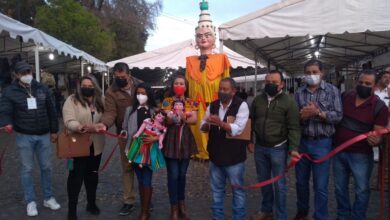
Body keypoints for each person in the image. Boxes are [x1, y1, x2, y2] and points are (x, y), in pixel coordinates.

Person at [0, 61, 60, 217]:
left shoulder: (42, 88)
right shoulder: (10, 91)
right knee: (27, 169)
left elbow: (51, 110)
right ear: (16, 75)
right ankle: (30, 201)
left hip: (43, 135)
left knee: (46, 167)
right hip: (24, 135)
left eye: (29, 71)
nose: (27, 75)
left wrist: (54, 130)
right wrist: (6, 123)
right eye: (23, 73)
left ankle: (48, 197)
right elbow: (5, 109)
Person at [334, 69, 388, 219]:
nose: (363, 85)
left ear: (375, 86)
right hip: (339, 151)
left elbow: (379, 134)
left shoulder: (380, 107)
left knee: (362, 189)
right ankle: (343, 215)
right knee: (339, 188)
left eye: (367, 84)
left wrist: (376, 139)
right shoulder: (345, 97)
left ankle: (358, 217)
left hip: (361, 155)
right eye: (361, 82)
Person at [294, 59, 343, 220]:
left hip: (323, 142)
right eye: (308, 73)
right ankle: (302, 211)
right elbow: (294, 120)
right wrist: (303, 116)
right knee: (301, 183)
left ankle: (320, 216)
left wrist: (318, 113)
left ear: (322, 73)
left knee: (320, 185)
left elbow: (338, 116)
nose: (311, 75)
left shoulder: (332, 90)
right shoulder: (299, 93)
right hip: (303, 142)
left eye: (315, 72)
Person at [249, 70, 301, 220]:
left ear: (282, 84)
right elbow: (250, 122)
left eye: (274, 82)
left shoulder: (289, 102)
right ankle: (266, 210)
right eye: (268, 82)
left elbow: (294, 127)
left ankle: (281, 215)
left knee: (279, 185)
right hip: (260, 147)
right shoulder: (258, 100)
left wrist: (293, 148)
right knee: (264, 181)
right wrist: (249, 141)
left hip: (278, 147)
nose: (270, 85)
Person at [95, 62, 142, 215]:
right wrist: (104, 124)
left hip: (143, 134)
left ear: (129, 74)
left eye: (122, 76)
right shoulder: (111, 92)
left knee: (143, 166)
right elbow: (110, 112)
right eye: (117, 77)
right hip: (125, 134)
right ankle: (128, 200)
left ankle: (146, 197)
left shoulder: (140, 85)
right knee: (127, 168)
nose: (120, 79)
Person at [186, 0, 230, 160]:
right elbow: (188, 84)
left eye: (207, 35)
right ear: (196, 39)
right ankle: (201, 152)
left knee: (215, 128)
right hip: (196, 103)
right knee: (197, 129)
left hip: (215, 102)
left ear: (214, 38)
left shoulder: (222, 58)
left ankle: (214, 152)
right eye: (199, 36)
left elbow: (227, 82)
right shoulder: (190, 61)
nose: (203, 38)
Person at [200, 77, 249, 220]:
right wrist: (206, 125)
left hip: (234, 158)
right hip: (215, 156)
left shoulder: (241, 105)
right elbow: (203, 125)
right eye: (220, 89)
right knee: (216, 192)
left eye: (225, 89)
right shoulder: (213, 105)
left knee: (238, 192)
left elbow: (238, 129)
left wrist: (220, 123)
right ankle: (217, 217)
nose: (222, 92)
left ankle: (238, 218)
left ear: (233, 91)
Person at [62, 75, 105, 220]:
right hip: (77, 144)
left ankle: (91, 204)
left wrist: (103, 125)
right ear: (80, 86)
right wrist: (79, 127)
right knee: (75, 178)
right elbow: (68, 120)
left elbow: (106, 117)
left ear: (95, 87)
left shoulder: (100, 100)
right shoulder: (72, 100)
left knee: (92, 175)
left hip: (96, 145)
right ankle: (72, 210)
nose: (87, 87)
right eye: (84, 85)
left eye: (90, 85)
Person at [121, 83, 162, 220]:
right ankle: (145, 204)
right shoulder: (129, 110)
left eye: (143, 93)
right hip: (134, 149)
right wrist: (124, 133)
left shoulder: (154, 111)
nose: (140, 95)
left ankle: (145, 211)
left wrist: (155, 138)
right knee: (140, 178)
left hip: (149, 149)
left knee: (147, 178)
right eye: (138, 93)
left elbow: (161, 130)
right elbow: (125, 126)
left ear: (148, 95)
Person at [161, 75, 198, 220]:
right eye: (176, 83)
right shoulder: (167, 101)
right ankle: (174, 207)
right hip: (171, 139)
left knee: (182, 174)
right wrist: (168, 119)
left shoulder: (190, 101)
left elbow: (194, 119)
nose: (179, 85)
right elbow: (163, 119)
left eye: (181, 83)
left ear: (186, 86)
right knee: (173, 174)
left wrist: (184, 117)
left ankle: (182, 203)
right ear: (172, 86)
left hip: (185, 141)